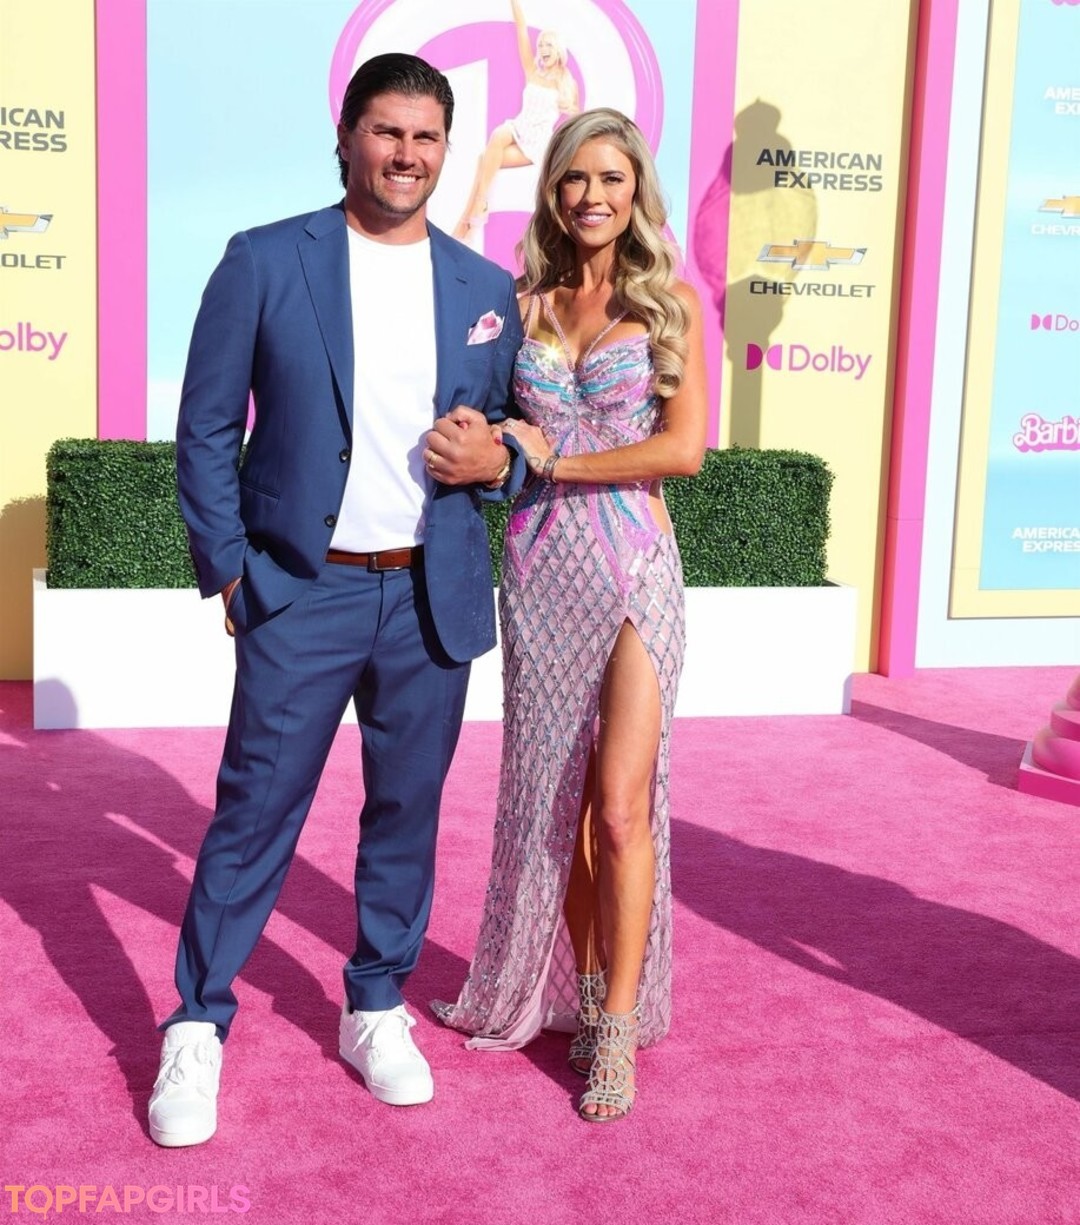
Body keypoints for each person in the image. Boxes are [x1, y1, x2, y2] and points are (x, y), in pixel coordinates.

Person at [148, 53, 527, 1148]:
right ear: (347, 137)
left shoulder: (483, 290)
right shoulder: (266, 260)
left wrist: (498, 460)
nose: (407, 154)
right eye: (387, 131)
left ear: (446, 150)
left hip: (429, 597)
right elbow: (206, 428)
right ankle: (197, 1023)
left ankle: (375, 1003)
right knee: (255, 811)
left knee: (406, 812)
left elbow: (513, 434)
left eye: (426, 136)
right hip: (301, 593)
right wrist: (232, 570)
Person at [434, 108, 707, 1122]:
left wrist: (555, 460)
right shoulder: (520, 305)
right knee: (561, 809)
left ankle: (618, 1030)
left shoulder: (670, 305)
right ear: (552, 191)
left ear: (637, 193)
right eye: (575, 179)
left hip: (636, 567)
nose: (593, 196)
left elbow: (682, 451)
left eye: (612, 179)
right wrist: (503, 439)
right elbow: (478, 399)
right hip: (541, 572)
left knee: (620, 807)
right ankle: (587, 994)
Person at [452, 0, 578, 240]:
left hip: (536, 144)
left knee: (484, 159)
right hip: (518, 127)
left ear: (558, 49)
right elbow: (521, 28)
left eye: (548, 44)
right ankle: (478, 207)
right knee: (497, 135)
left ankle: (466, 224)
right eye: (541, 44)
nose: (543, 48)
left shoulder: (566, 83)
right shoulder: (533, 72)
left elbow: (576, 121)